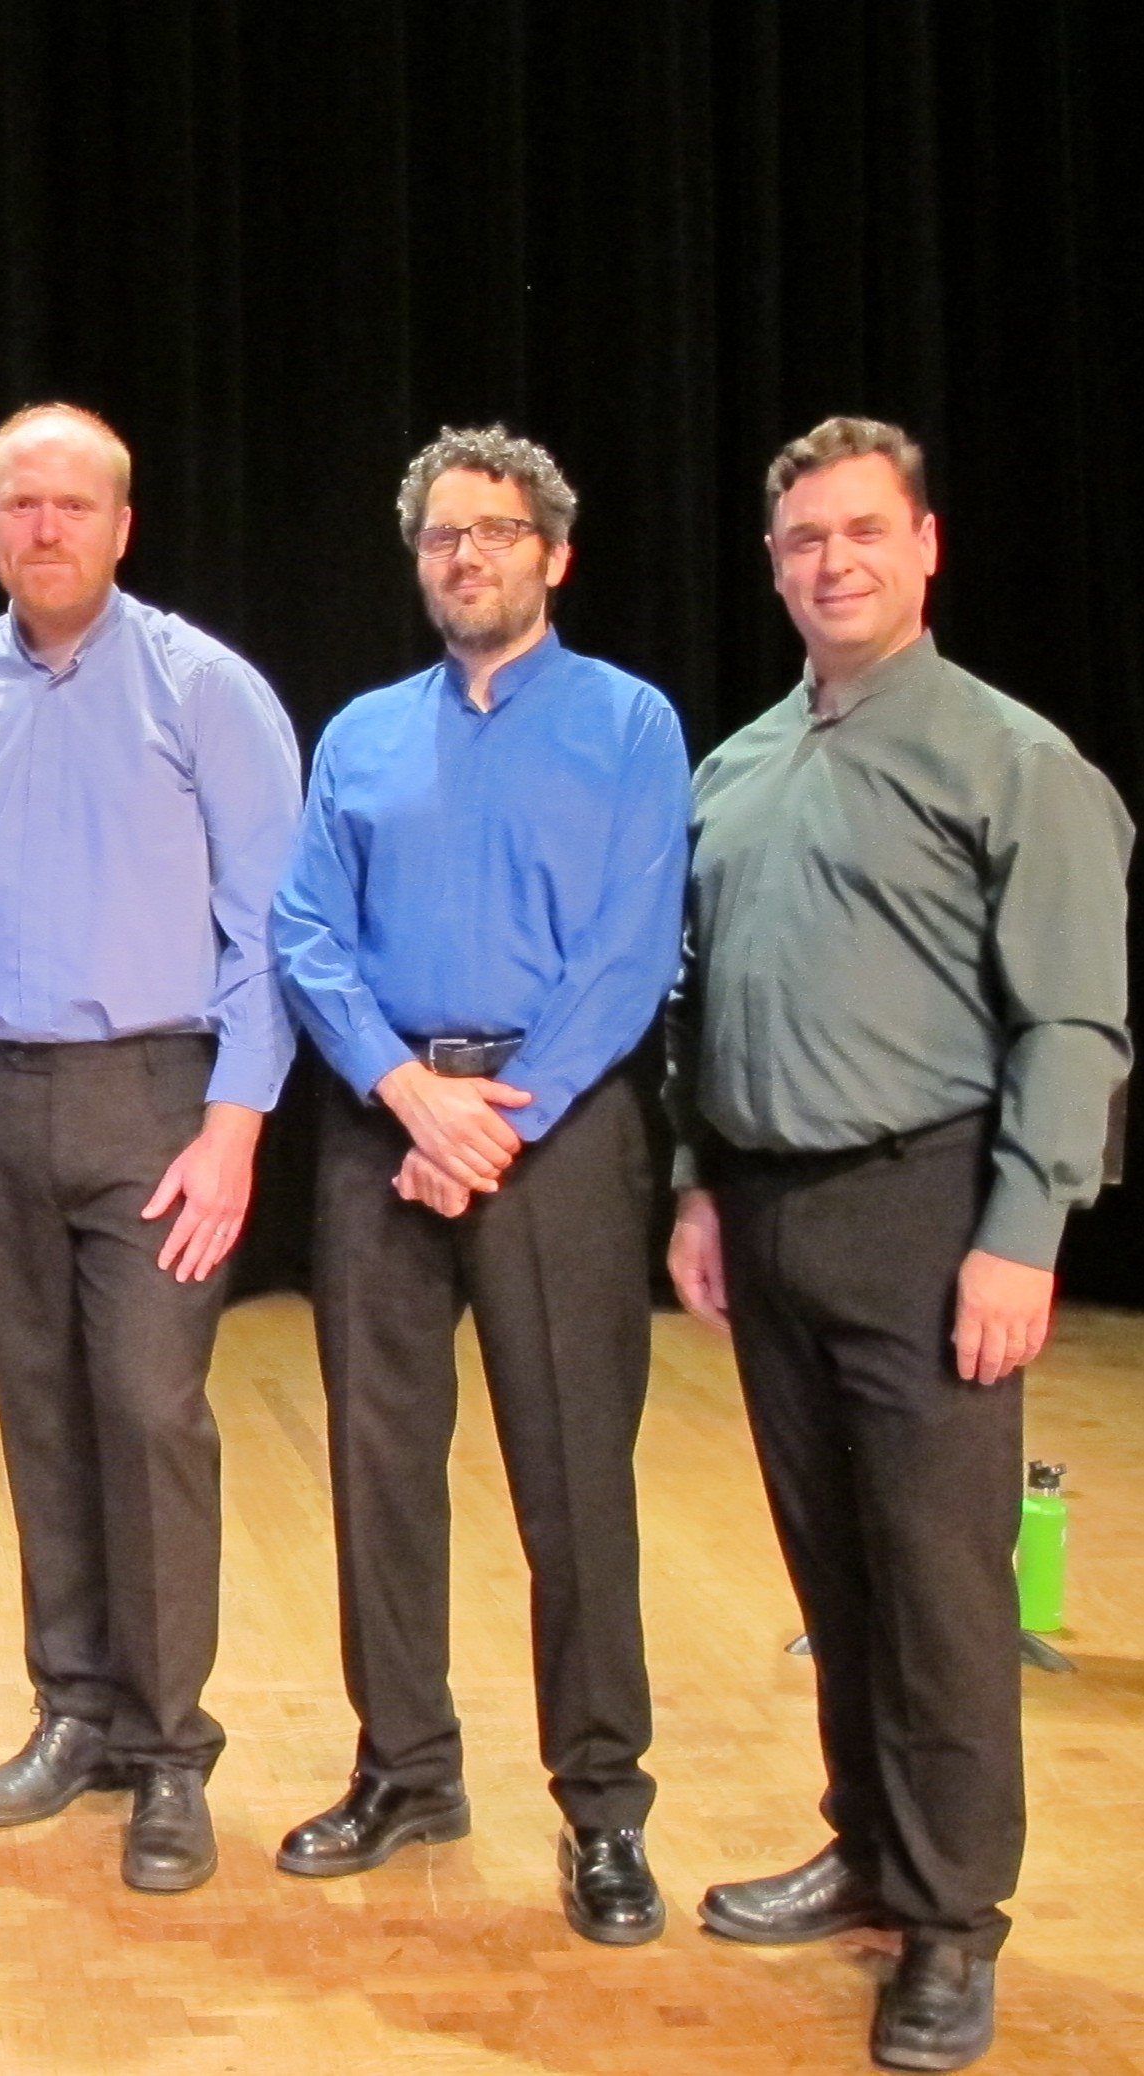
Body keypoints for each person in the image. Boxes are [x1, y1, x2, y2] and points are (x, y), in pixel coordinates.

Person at [667, 416, 1131, 2072]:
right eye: (804, 538)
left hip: (930, 1213)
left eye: (864, 530)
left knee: (938, 1588)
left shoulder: (1016, 761)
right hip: (770, 1210)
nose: (833, 560)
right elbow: (699, 1000)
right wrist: (697, 1186)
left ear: (924, 547)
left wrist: (1021, 1233)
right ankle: (863, 1845)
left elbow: (1073, 1023)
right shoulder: (734, 768)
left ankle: (948, 1923)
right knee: (833, 1566)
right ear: (772, 564)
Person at [0, 403, 300, 1893]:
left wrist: (234, 1126)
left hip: (154, 1101)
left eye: (73, 504)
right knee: (38, 1412)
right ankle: (74, 1711)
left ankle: (170, 1752)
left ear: (122, 526)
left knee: (150, 1412)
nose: (45, 527)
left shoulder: (205, 689)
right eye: (19, 504)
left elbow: (273, 928)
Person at [269, 425, 686, 1942]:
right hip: (384, 1124)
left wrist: (495, 1123)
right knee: (379, 1468)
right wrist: (403, 1092)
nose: (467, 556)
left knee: (570, 1477)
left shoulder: (630, 722)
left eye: (497, 531)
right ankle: (405, 1767)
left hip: (551, 1128)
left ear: (553, 554)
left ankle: (602, 1807)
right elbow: (305, 930)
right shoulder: (362, 732)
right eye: (443, 535)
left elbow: (632, 947)